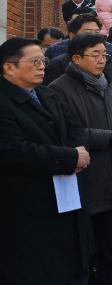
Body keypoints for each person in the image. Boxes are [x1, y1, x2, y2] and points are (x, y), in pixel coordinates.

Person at [49, 35, 112, 285]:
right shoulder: (59, 89)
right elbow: (68, 132)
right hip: (86, 174)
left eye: (104, 55)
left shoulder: (107, 82)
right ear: (76, 59)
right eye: (95, 55)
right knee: (87, 237)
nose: (102, 60)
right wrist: (110, 138)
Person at [0, 37, 94, 285]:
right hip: (29, 202)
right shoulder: (4, 102)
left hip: (67, 190)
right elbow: (14, 151)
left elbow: (74, 125)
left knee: (76, 255)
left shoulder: (47, 92)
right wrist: (70, 157)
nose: (42, 66)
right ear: (9, 67)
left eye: (43, 60)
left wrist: (77, 150)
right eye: (34, 61)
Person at [45, 15, 112, 73]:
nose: (93, 36)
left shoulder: (109, 48)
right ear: (72, 35)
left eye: (97, 32)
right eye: (88, 33)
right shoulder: (54, 50)